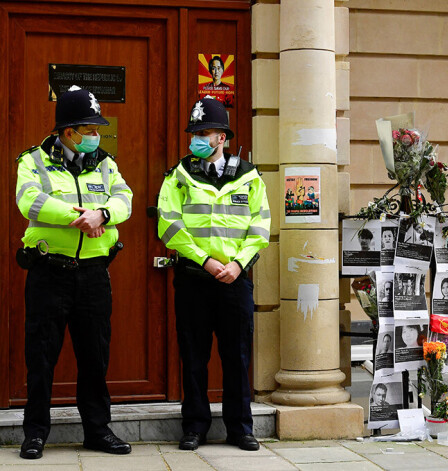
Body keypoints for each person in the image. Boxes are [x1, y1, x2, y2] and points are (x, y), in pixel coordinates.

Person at [15, 86, 133, 459]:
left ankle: (97, 431)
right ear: (68, 131)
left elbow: (124, 198)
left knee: (95, 357)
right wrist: (79, 218)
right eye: (90, 128)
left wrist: (104, 214)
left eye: (97, 129)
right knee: (42, 357)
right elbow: (29, 201)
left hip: (94, 274)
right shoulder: (33, 161)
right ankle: (35, 433)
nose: (96, 135)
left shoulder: (104, 162)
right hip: (50, 272)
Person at [157, 97, 270, 452]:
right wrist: (205, 260)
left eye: (204, 133)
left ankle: (241, 429)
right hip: (193, 278)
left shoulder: (249, 175)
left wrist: (238, 264)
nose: (196, 140)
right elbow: (168, 224)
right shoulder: (179, 174)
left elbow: (260, 226)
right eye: (194, 133)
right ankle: (194, 427)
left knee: (237, 358)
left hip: (236, 280)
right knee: (193, 356)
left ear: (222, 136)